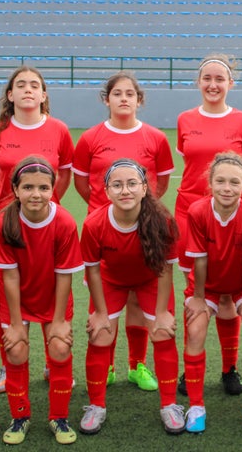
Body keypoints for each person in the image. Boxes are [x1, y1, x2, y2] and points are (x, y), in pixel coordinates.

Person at [73, 71, 174, 393]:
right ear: (107, 99)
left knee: (136, 301)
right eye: (117, 93)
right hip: (106, 231)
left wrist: (140, 211)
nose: (124, 98)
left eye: (130, 93)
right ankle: (110, 366)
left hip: (144, 229)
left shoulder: (156, 137)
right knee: (107, 299)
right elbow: (81, 183)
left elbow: (160, 184)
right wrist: (108, 210)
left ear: (139, 100)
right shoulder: (90, 138)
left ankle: (136, 365)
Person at [0, 65, 75, 394]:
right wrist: (14, 205)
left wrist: (43, 203)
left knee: (50, 290)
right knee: (7, 295)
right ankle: (10, 365)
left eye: (34, 85)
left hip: (46, 223)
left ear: (44, 94)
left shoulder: (60, 129)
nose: (27, 90)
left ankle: (54, 363)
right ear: (10, 94)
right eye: (20, 85)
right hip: (7, 225)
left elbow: (62, 176)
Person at [79, 159, 185, 435]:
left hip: (151, 280)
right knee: (100, 333)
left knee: (163, 332)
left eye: (131, 184)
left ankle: (169, 404)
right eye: (117, 185)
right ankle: (96, 405)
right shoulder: (94, 224)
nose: (125, 190)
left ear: (144, 188)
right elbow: (92, 271)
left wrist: (162, 313)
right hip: (109, 281)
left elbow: (165, 270)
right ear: (106, 191)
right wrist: (101, 313)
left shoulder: (163, 221)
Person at [175, 54, 242, 398]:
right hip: (190, 213)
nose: (213, 84)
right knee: (196, 293)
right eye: (207, 78)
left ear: (230, 84)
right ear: (198, 82)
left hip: (232, 212)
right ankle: (189, 369)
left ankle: (229, 369)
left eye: (220, 79)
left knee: (228, 294)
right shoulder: (184, 119)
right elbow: (187, 159)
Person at [0, 158, 83, 445]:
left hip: (53, 295)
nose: (36, 194)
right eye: (27, 187)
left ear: (53, 189)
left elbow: (64, 275)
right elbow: (10, 277)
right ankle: (20, 417)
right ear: (15, 189)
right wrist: (16, 324)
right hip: (16, 297)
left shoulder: (64, 221)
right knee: (16, 351)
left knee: (60, 348)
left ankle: (59, 417)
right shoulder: (4, 223)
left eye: (43, 187)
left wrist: (58, 321)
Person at [180, 153, 242, 433]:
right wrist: (198, 296)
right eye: (220, 181)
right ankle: (196, 406)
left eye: (234, 182)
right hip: (206, 285)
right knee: (195, 331)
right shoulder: (197, 211)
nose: (227, 188)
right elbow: (200, 259)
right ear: (210, 182)